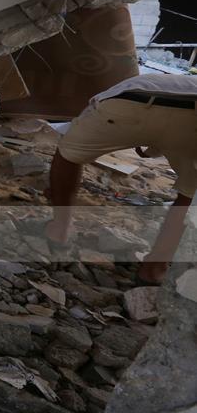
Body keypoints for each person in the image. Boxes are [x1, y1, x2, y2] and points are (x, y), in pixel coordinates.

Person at [46, 74, 197, 284]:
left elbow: (154, 121)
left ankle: (59, 229)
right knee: (189, 193)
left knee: (68, 156)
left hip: (127, 102)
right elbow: (167, 127)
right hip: (191, 120)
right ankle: (154, 268)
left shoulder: (142, 82)